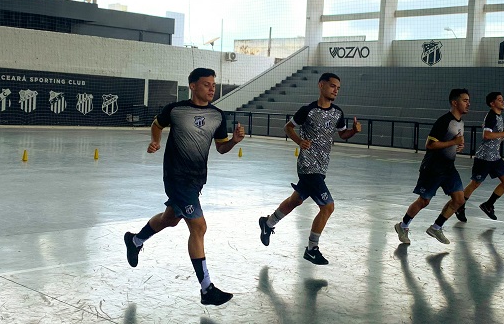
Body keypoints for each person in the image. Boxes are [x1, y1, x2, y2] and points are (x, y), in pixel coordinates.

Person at [123, 68, 245, 305]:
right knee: (198, 227)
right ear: (192, 86)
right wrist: (155, 141)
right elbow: (157, 124)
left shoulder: (218, 116)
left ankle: (135, 240)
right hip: (176, 177)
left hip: (196, 180)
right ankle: (206, 288)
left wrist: (234, 141)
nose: (212, 89)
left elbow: (221, 148)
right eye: (206, 84)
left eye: (213, 85)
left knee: (170, 219)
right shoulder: (176, 110)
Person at [257, 72, 361, 265]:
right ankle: (312, 249)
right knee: (328, 207)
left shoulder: (338, 113)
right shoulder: (307, 111)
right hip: (308, 165)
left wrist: (353, 131)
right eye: (332, 86)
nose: (335, 90)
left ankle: (268, 222)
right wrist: (300, 141)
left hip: (322, 167)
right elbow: (288, 127)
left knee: (295, 201)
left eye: (338, 88)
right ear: (321, 85)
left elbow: (343, 134)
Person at [393, 89, 470, 245]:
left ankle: (436, 227)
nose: (468, 104)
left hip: (449, 168)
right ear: (455, 102)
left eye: (468, 100)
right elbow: (429, 145)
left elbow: (452, 143)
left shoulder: (460, 122)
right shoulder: (444, 121)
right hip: (433, 167)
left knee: (459, 199)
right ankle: (403, 226)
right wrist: (453, 143)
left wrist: (457, 147)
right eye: (465, 100)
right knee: (424, 201)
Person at [457, 92, 504, 222]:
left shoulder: (499, 116)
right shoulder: (491, 116)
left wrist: (501, 135)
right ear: (492, 103)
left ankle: (488, 205)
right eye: (499, 100)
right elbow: (486, 135)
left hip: (495, 157)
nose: (502, 102)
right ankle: (459, 206)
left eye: (502, 99)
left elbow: (494, 135)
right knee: (475, 183)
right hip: (484, 157)